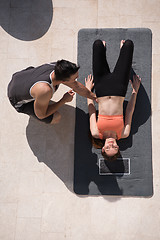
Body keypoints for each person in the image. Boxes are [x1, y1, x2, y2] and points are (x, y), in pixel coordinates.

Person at [85, 39, 141, 161]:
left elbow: (92, 111)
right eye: (115, 147)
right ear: (118, 147)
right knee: (129, 44)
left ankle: (104, 50)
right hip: (119, 87)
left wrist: (88, 91)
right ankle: (122, 51)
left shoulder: (96, 133)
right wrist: (134, 91)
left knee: (97, 44)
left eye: (109, 148)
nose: (112, 144)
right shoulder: (124, 134)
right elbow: (129, 112)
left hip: (101, 87)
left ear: (103, 148)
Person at [8, 59, 96, 124]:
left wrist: (94, 97)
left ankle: (39, 100)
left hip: (19, 78)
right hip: (17, 100)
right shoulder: (45, 90)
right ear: (63, 82)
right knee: (56, 118)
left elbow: (76, 86)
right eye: (75, 78)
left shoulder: (57, 67)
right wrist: (63, 100)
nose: (76, 80)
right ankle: (37, 101)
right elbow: (41, 115)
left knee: (42, 98)